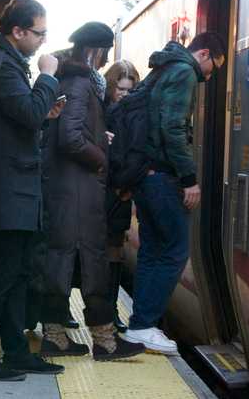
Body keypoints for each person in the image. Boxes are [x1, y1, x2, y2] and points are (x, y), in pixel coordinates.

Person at [0, 0, 66, 381]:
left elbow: (24, 118)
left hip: (15, 184)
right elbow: (26, 112)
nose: (43, 40)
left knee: (19, 271)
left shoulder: (3, 63)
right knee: (1, 272)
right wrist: (47, 77)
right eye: (40, 32)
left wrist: (43, 110)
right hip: (5, 187)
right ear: (18, 31)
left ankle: (16, 351)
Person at [40, 22, 145, 361]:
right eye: (104, 53)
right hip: (78, 187)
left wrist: (97, 139)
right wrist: (100, 156)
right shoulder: (81, 81)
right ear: (97, 50)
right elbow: (70, 137)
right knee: (93, 260)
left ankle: (55, 336)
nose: (103, 62)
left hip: (68, 186)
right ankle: (105, 340)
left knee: (61, 258)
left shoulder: (70, 79)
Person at [123, 33, 225, 354]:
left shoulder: (162, 67)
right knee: (175, 251)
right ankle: (143, 325)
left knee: (153, 250)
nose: (208, 77)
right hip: (165, 178)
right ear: (204, 53)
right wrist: (189, 178)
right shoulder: (183, 71)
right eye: (211, 69)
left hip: (145, 175)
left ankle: (140, 323)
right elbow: (173, 127)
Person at [103, 60, 140, 333]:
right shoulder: (98, 111)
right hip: (100, 190)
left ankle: (111, 309)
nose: (123, 94)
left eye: (129, 90)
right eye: (120, 88)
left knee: (114, 252)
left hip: (121, 192)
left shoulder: (132, 115)